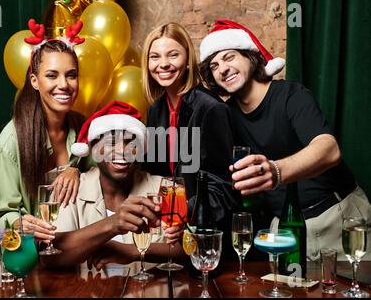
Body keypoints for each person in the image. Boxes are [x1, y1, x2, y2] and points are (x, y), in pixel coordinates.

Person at [199, 19, 371, 260]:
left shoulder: (291, 94)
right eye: (214, 65)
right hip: (283, 232)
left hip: (338, 217)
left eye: (229, 57)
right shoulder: (226, 116)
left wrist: (275, 171)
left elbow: (329, 150)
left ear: (250, 56)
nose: (223, 69)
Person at [0, 19, 92, 259]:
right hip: (1, 256)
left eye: (71, 75)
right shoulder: (12, 138)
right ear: (35, 81)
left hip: (49, 257)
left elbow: (107, 176)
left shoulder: (82, 128)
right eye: (52, 75)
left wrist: (77, 172)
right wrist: (20, 223)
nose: (63, 85)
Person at [39, 101, 184, 270]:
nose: (122, 150)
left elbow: (189, 251)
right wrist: (112, 224)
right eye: (110, 142)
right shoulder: (71, 189)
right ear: (93, 148)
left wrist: (133, 251)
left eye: (131, 143)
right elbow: (49, 257)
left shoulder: (165, 189)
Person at [141, 22, 241, 241]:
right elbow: (156, 175)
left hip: (207, 234)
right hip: (167, 231)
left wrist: (186, 214)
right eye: (155, 56)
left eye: (173, 55)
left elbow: (224, 188)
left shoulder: (211, 108)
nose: (163, 64)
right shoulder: (156, 111)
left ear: (187, 60)